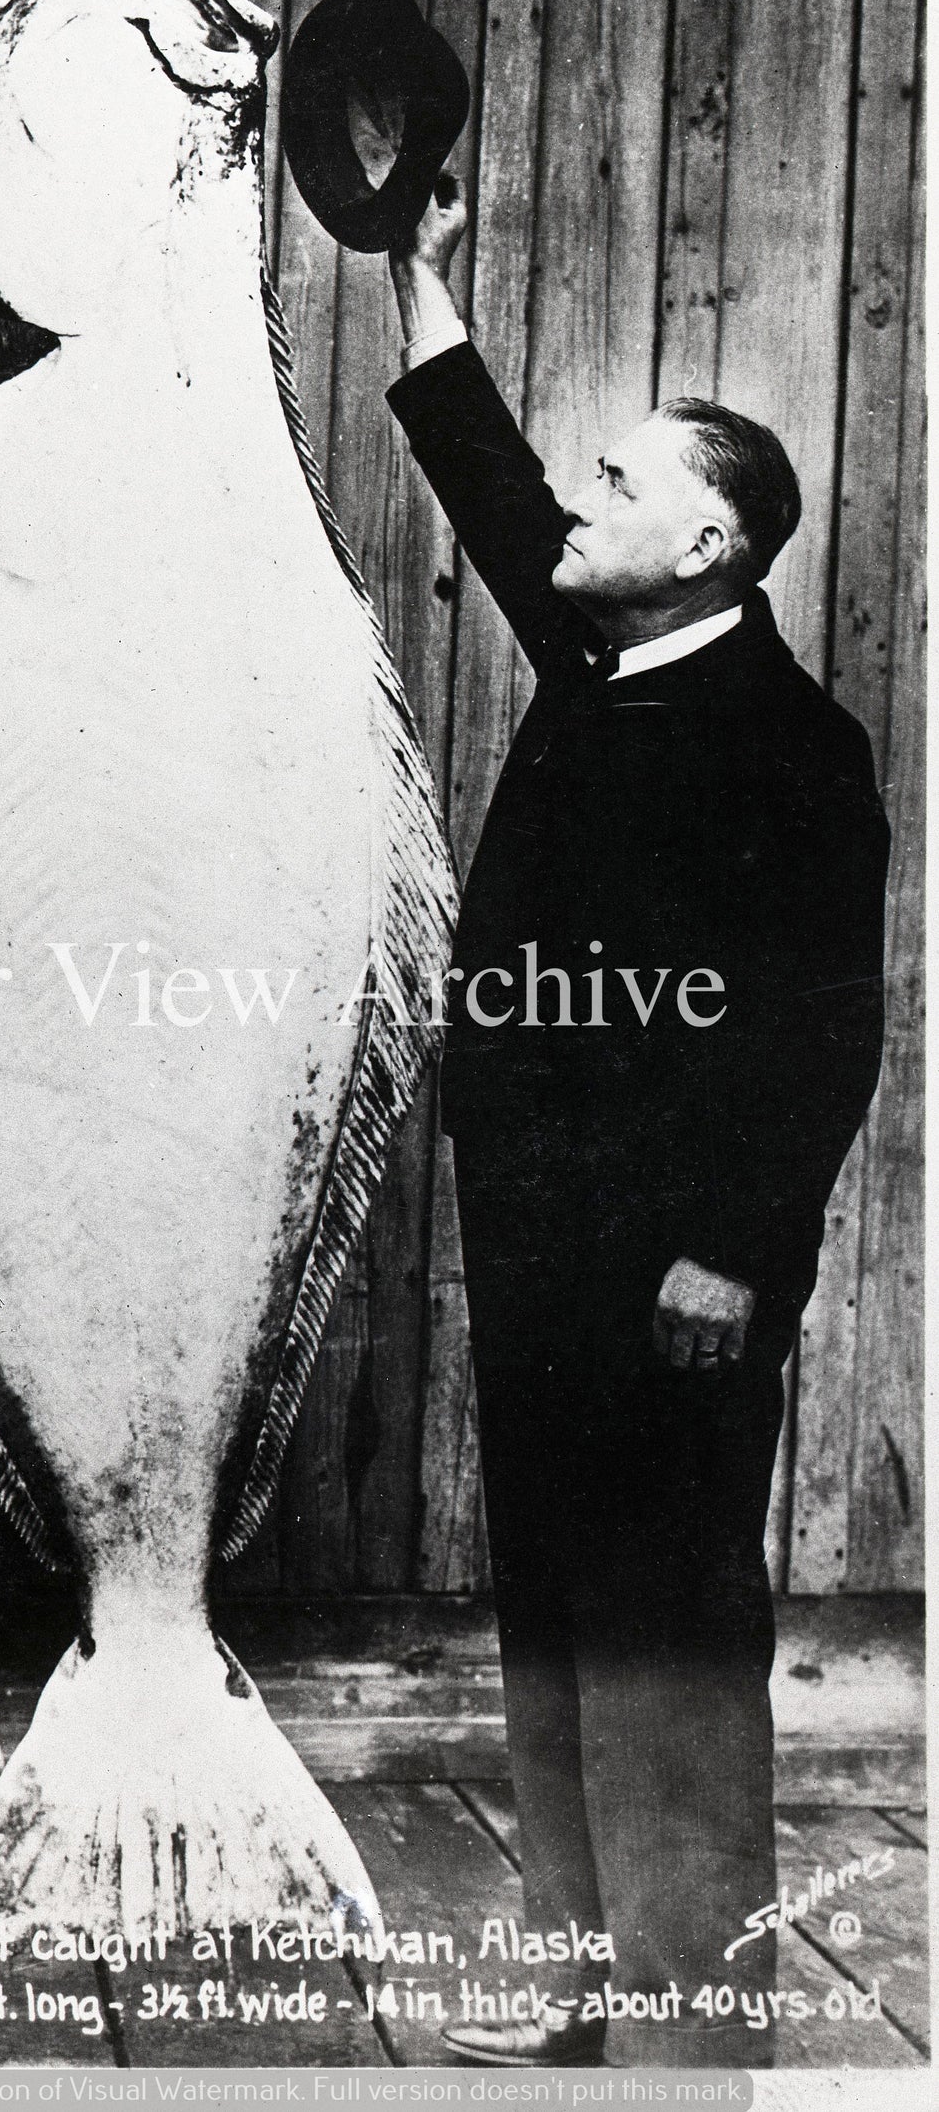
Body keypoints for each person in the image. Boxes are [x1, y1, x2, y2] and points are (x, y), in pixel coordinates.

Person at [385, 174, 890, 2069]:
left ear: (703, 540)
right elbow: (489, 485)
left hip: (679, 1275)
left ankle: (689, 2046)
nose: (575, 509)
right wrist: (419, 277)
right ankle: (579, 1976)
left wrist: (732, 1250)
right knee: (556, 1612)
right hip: (535, 1241)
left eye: (616, 485)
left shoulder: (790, 746)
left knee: (669, 1628)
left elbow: (818, 1034)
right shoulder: (609, 654)